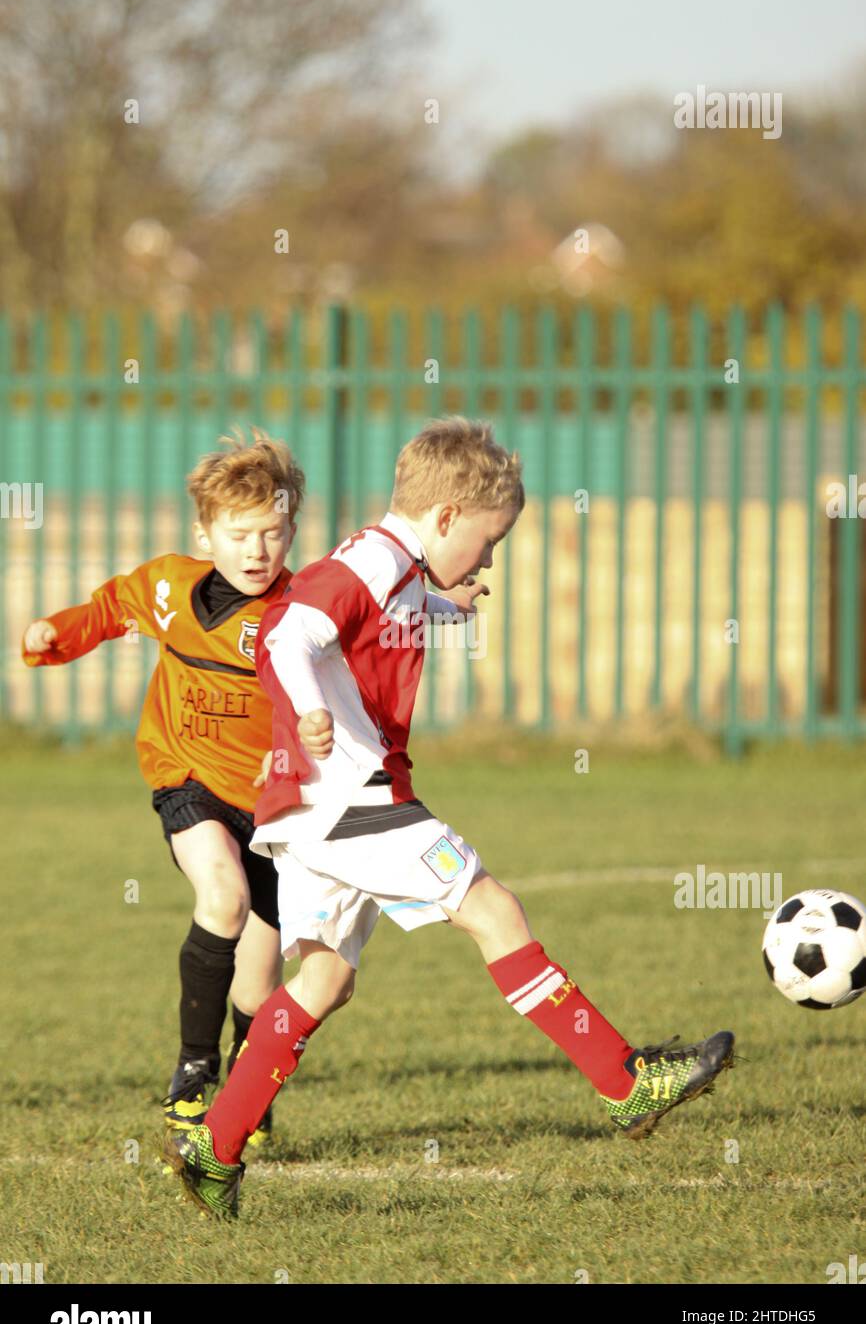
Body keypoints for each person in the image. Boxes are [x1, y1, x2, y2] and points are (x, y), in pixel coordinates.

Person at [164, 415, 736, 1219]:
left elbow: (370, 616)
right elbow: (290, 633)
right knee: (494, 910)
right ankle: (627, 1083)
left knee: (326, 978)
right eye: (488, 541)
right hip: (350, 795)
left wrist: (443, 604)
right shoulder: (370, 559)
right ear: (443, 519)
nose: (492, 557)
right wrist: (309, 713)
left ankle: (216, 1149)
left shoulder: (394, 565)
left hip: (311, 805)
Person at [22, 428, 306, 1144]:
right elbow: (112, 608)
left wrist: (445, 597)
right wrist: (55, 635)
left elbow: (377, 628)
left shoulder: (304, 610)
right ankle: (192, 1071)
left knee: (257, 984)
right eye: (239, 534)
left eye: (272, 533)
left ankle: (247, 1087)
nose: (257, 550)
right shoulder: (169, 586)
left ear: (292, 530)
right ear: (205, 533)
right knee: (223, 896)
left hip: (277, 810)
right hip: (188, 780)